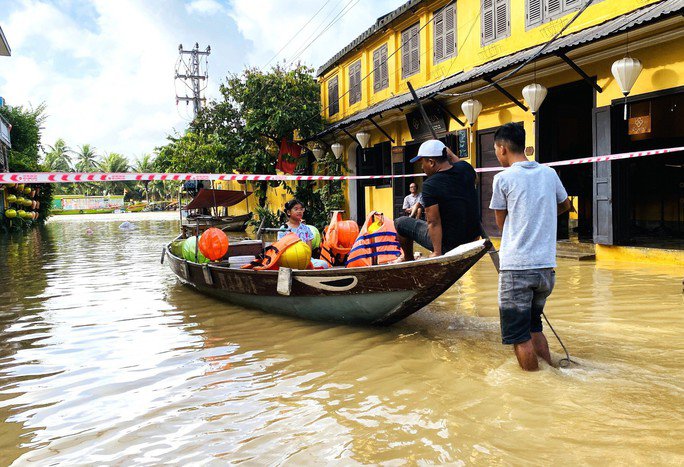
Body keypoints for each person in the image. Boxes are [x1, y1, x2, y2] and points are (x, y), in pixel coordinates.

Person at [489, 123, 572, 371]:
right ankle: (552, 374)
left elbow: (501, 223)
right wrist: (542, 215)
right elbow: (565, 205)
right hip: (546, 270)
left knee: (519, 337)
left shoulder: (502, 178)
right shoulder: (550, 173)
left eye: (495, 150)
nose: (496, 154)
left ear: (502, 149)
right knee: (534, 326)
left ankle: (536, 389)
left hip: (516, 269)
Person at [394, 140, 480, 261]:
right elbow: (476, 178)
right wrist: (451, 155)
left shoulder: (430, 184)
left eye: (422, 163)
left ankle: (408, 260)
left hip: (449, 244)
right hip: (472, 238)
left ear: (431, 162)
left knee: (400, 222)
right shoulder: (465, 169)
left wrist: (437, 253)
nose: (422, 167)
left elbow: (433, 222)